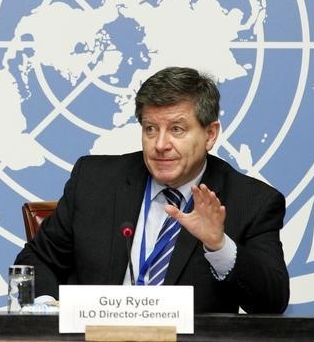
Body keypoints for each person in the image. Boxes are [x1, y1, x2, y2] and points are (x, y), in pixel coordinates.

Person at [14, 66, 289, 313]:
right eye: (150, 129)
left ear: (210, 134)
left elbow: (272, 302)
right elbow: (35, 261)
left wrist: (219, 246)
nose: (160, 144)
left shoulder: (252, 202)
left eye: (177, 129)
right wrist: (49, 312)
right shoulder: (94, 182)